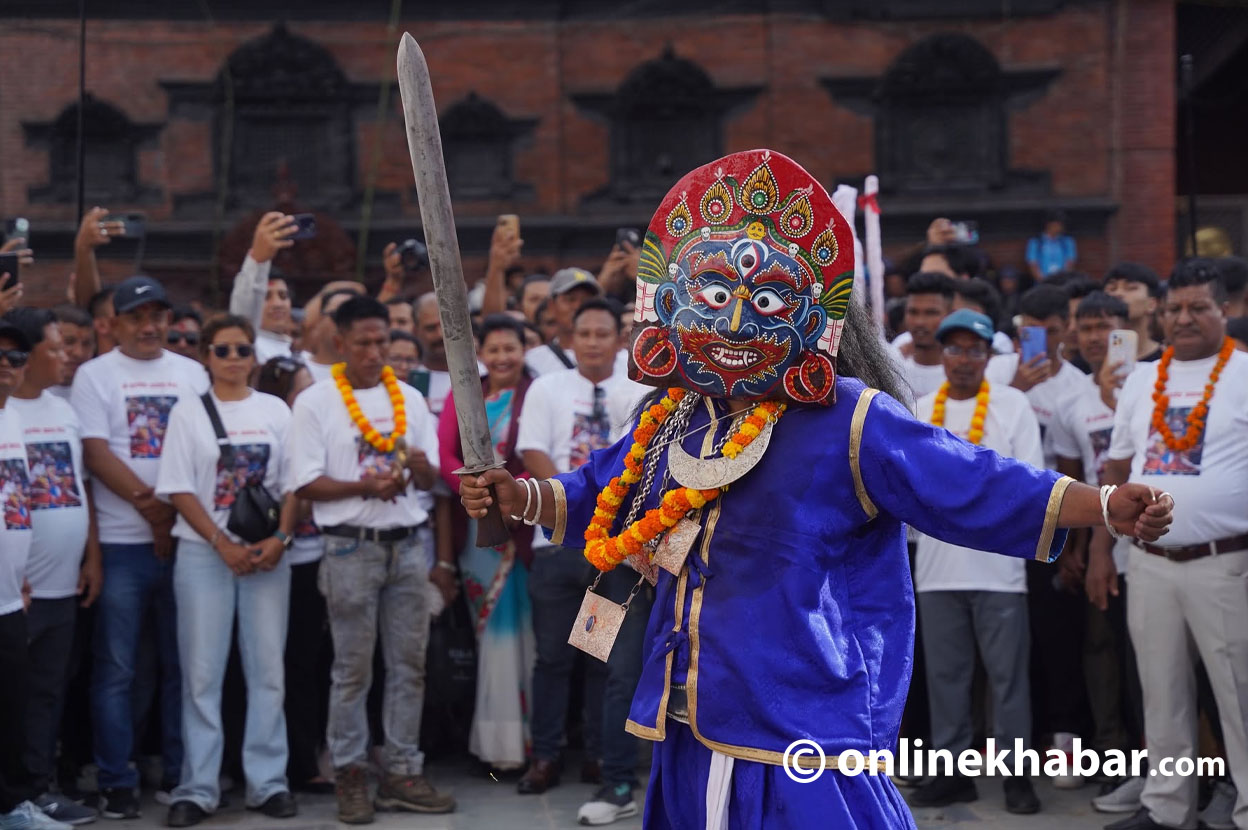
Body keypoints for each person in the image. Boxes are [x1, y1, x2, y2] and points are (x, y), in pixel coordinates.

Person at [456, 149, 1173, 829]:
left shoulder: (851, 419)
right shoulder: (676, 413)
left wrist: (1106, 506)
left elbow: (974, 481)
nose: (734, 322)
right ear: (675, 306)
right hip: (687, 698)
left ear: (810, 315)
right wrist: (516, 497)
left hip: (799, 709)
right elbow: (601, 485)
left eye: (765, 300)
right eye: (714, 296)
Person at [1091, 260, 1248, 830]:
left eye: (1198, 307)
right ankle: (1166, 808)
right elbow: (1116, 466)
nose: (1184, 318)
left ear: (1224, 309)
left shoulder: (1245, 373)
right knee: (1160, 690)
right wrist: (1101, 549)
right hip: (1148, 562)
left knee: (1239, 694)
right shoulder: (1140, 378)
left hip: (1224, 563)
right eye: (1174, 308)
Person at [289, 296, 454, 823]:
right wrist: (364, 485)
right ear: (339, 343)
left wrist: (420, 467)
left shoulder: (409, 397)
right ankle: (350, 774)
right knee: (351, 669)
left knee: (409, 665)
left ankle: (402, 772)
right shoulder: (315, 403)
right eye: (363, 342)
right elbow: (304, 483)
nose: (374, 352)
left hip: (407, 544)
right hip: (349, 547)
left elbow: (430, 480)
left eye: (381, 341)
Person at [70, 276, 209, 819]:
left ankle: (179, 773)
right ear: (115, 323)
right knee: (117, 668)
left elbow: (204, 451)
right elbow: (96, 454)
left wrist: (172, 519)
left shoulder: (192, 373)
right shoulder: (94, 375)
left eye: (158, 316)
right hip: (121, 544)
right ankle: (116, 779)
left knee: (182, 665)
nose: (149, 326)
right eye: (137, 317)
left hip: (186, 541)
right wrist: (156, 511)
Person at [154, 316, 297, 827]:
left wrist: (280, 538)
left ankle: (268, 782)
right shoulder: (187, 412)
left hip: (266, 553)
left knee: (268, 671)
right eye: (223, 350)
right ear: (206, 356)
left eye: (242, 349)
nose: (234, 358)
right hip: (203, 553)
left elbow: (295, 483)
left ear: (254, 356)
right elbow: (178, 488)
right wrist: (221, 543)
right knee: (201, 674)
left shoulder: (275, 410)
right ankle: (197, 787)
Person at [512, 298, 649, 817]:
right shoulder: (547, 388)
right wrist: (577, 507)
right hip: (556, 548)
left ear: (619, 339)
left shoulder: (638, 391)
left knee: (601, 658)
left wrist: (605, 520)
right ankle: (545, 756)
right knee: (552, 658)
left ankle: (600, 758)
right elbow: (533, 454)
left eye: (602, 333)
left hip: (612, 554)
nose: (592, 342)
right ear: (570, 340)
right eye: (583, 334)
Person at [910, 309, 1044, 815]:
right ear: (941, 354)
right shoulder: (920, 409)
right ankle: (952, 775)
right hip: (936, 570)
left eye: (974, 350)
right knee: (946, 678)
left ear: (990, 356)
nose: (963, 359)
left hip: (1000, 569)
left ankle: (1016, 777)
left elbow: (1031, 481)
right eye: (954, 348)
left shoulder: (1012, 405)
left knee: (1008, 679)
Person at [1048, 292, 1147, 803]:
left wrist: (1118, 400)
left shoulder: (1150, 385)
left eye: (1103, 326)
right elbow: (1071, 483)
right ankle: (1114, 758)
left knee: (1148, 660)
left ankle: (1162, 767)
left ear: (1125, 330)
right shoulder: (1070, 404)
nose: (1092, 337)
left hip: (1151, 546)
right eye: (1083, 327)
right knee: (1102, 653)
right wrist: (1077, 551)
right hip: (1101, 550)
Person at [3, 309, 100, 826]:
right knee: (13, 700)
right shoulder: (6, 412)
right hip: (17, 591)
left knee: (45, 692)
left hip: (60, 584)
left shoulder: (63, 409)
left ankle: (37, 791)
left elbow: (80, 487)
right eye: (56, 347)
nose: (68, 356)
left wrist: (92, 556)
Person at [437, 315, 536, 772]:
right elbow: (445, 455)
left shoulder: (536, 394)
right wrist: (476, 494)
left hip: (525, 529)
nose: (501, 357)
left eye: (509, 348)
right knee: (494, 637)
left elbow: (538, 454)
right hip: (478, 530)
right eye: (493, 349)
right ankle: (499, 746)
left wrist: (515, 501)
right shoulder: (463, 394)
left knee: (526, 638)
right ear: (480, 353)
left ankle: (529, 743)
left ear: (524, 350)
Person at [254, 358, 332, 796]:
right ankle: (299, 764)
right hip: (285, 560)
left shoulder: (315, 429)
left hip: (319, 555)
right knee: (292, 665)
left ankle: (313, 754)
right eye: (301, 390)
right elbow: (296, 497)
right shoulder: (276, 432)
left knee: (317, 663)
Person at [229, 212, 298, 364]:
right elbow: (242, 313)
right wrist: (257, 260)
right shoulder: (247, 347)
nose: (278, 304)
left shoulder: (303, 353)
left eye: (283, 296)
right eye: (266, 297)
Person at [891, 272, 955, 407]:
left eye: (931, 313)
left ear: (951, 315)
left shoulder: (965, 369)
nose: (919, 322)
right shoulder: (893, 358)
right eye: (913, 312)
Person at [524, 268, 603, 377]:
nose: (578, 306)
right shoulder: (533, 360)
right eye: (570, 299)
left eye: (587, 301)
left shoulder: (621, 359)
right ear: (551, 306)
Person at [297, 288, 360, 384]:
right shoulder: (295, 367)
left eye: (352, 317)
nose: (344, 323)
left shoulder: (369, 375)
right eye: (338, 315)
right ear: (320, 319)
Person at [1104, 263, 1164, 363]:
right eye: (1112, 289)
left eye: (1130, 288)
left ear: (1152, 304)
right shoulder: (1092, 358)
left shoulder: (1168, 359)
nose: (1118, 294)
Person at [410, 294, 452, 416]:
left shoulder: (482, 374)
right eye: (431, 328)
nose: (440, 335)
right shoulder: (411, 382)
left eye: (445, 325)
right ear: (415, 331)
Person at [51, 306, 95, 398]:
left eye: (86, 344)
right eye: (69, 342)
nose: (79, 353)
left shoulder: (103, 390)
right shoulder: (25, 394)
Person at [1026, 210, 1077, 280]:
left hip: (1062, 283)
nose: (1061, 227)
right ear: (1049, 224)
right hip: (1042, 283)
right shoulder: (1036, 242)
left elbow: (1070, 263)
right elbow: (1033, 264)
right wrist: (1043, 281)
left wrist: (1063, 280)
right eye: (1059, 224)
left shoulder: (1067, 241)